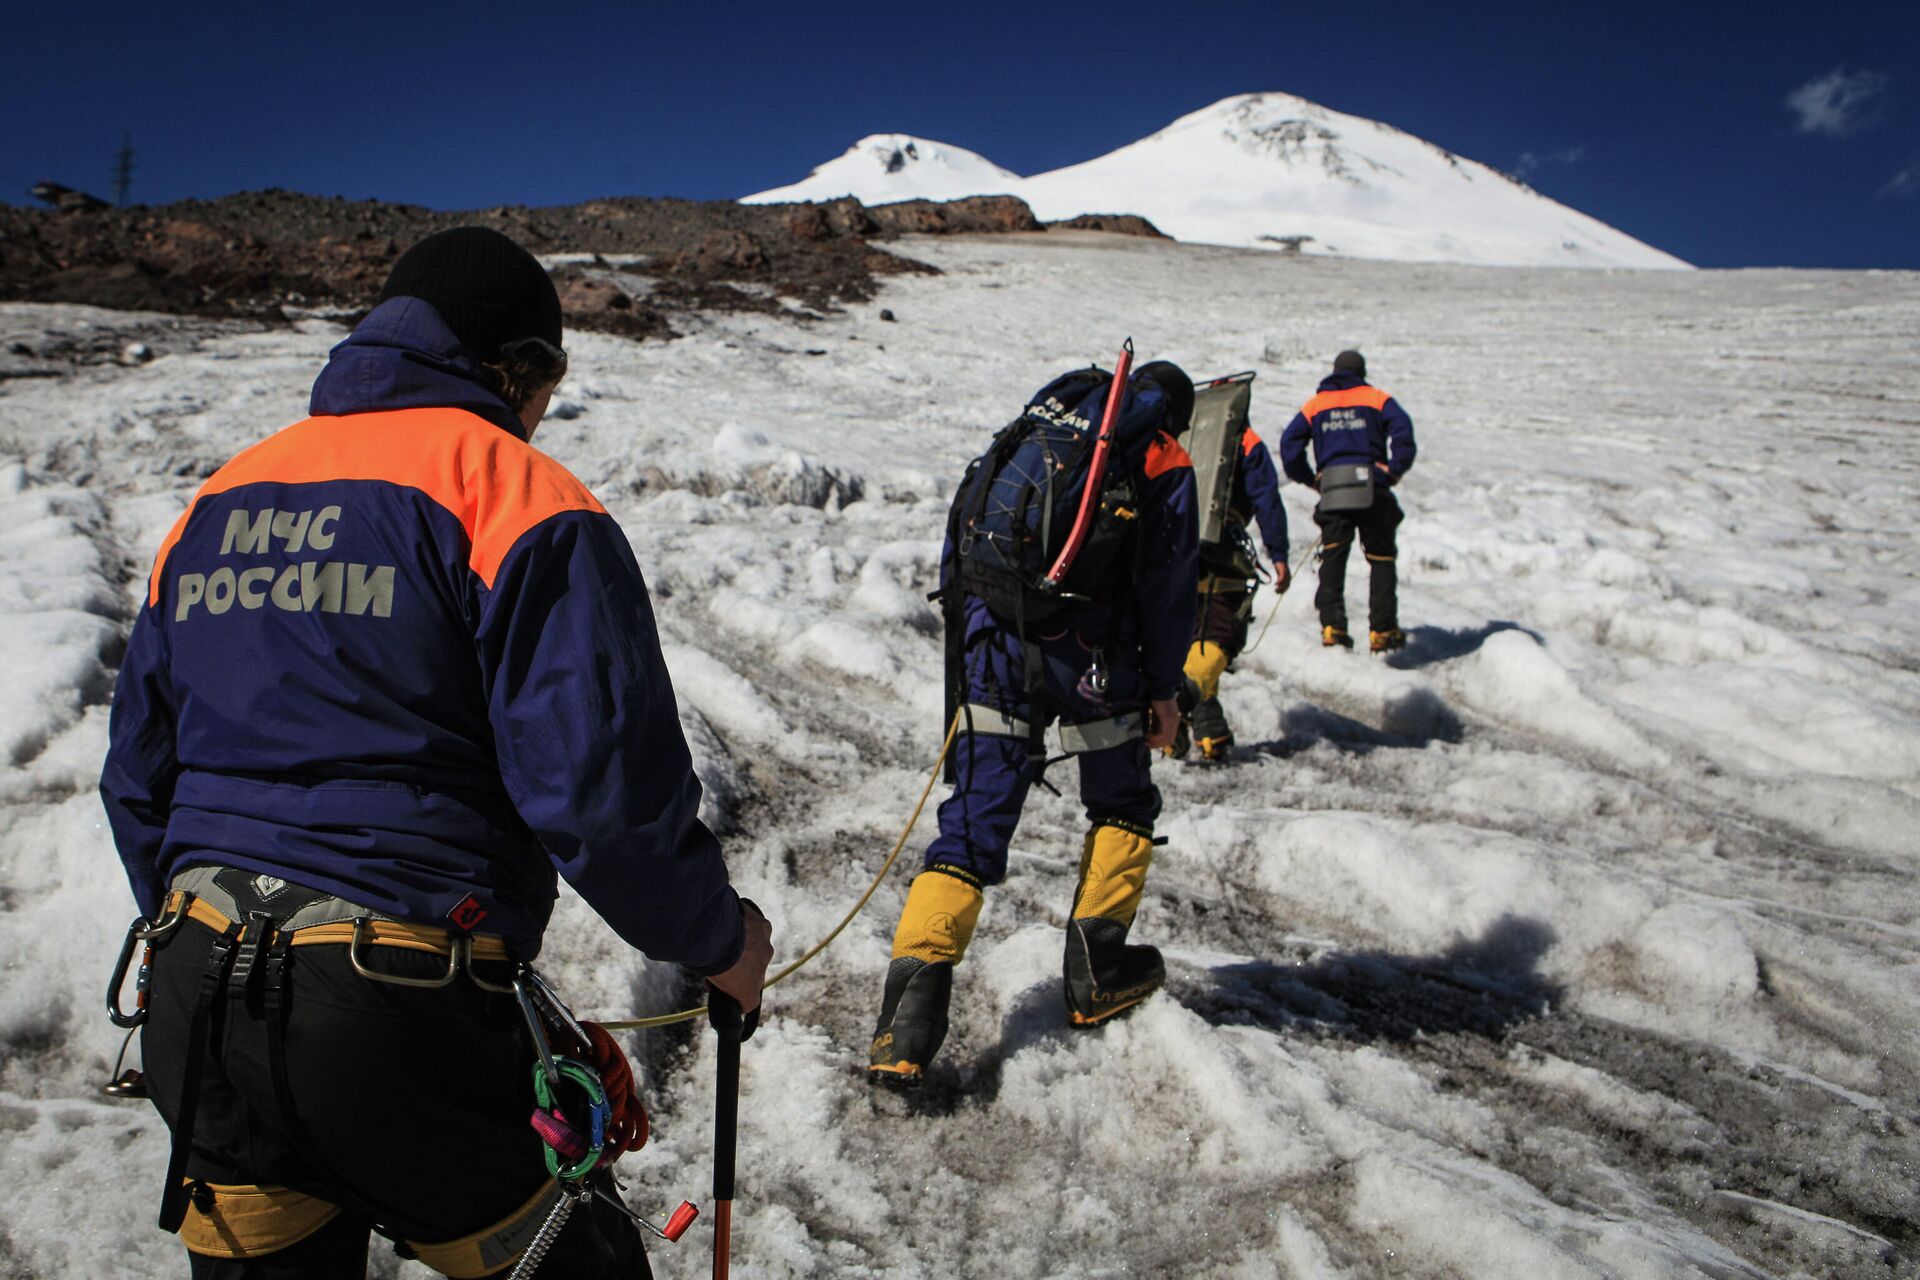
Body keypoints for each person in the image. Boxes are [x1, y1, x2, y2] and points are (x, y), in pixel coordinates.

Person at [99, 226, 773, 1279]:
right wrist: (720, 939)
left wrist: (196, 924)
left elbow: (140, 771)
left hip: (198, 985)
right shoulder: (517, 493)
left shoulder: (221, 499)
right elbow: (600, 796)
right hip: (395, 1004)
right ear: (517, 365)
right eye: (547, 374)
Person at [867, 360, 1199, 1088]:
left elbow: (966, 527)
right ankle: (1097, 975)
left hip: (995, 635)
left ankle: (904, 1029)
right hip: (1094, 656)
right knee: (1122, 802)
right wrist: (1166, 690)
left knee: (972, 823)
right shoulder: (1162, 453)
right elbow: (1170, 586)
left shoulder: (1047, 426)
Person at [1278, 350, 1417, 653]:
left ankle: (1333, 627)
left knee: (1334, 556)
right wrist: (1393, 472)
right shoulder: (1377, 398)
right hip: (1372, 487)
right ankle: (1382, 630)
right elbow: (1404, 433)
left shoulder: (1317, 404)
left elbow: (1289, 446)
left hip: (1334, 489)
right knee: (1381, 559)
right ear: (1361, 372)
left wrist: (1311, 479)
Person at [1172, 417, 1290, 761]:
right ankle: (1177, 703)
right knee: (1219, 637)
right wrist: (1279, 553)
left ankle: (1206, 732)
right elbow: (1266, 496)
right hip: (1224, 551)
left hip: (1172, 550)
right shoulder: (1245, 440)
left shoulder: (1183, 436)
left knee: (1187, 643)